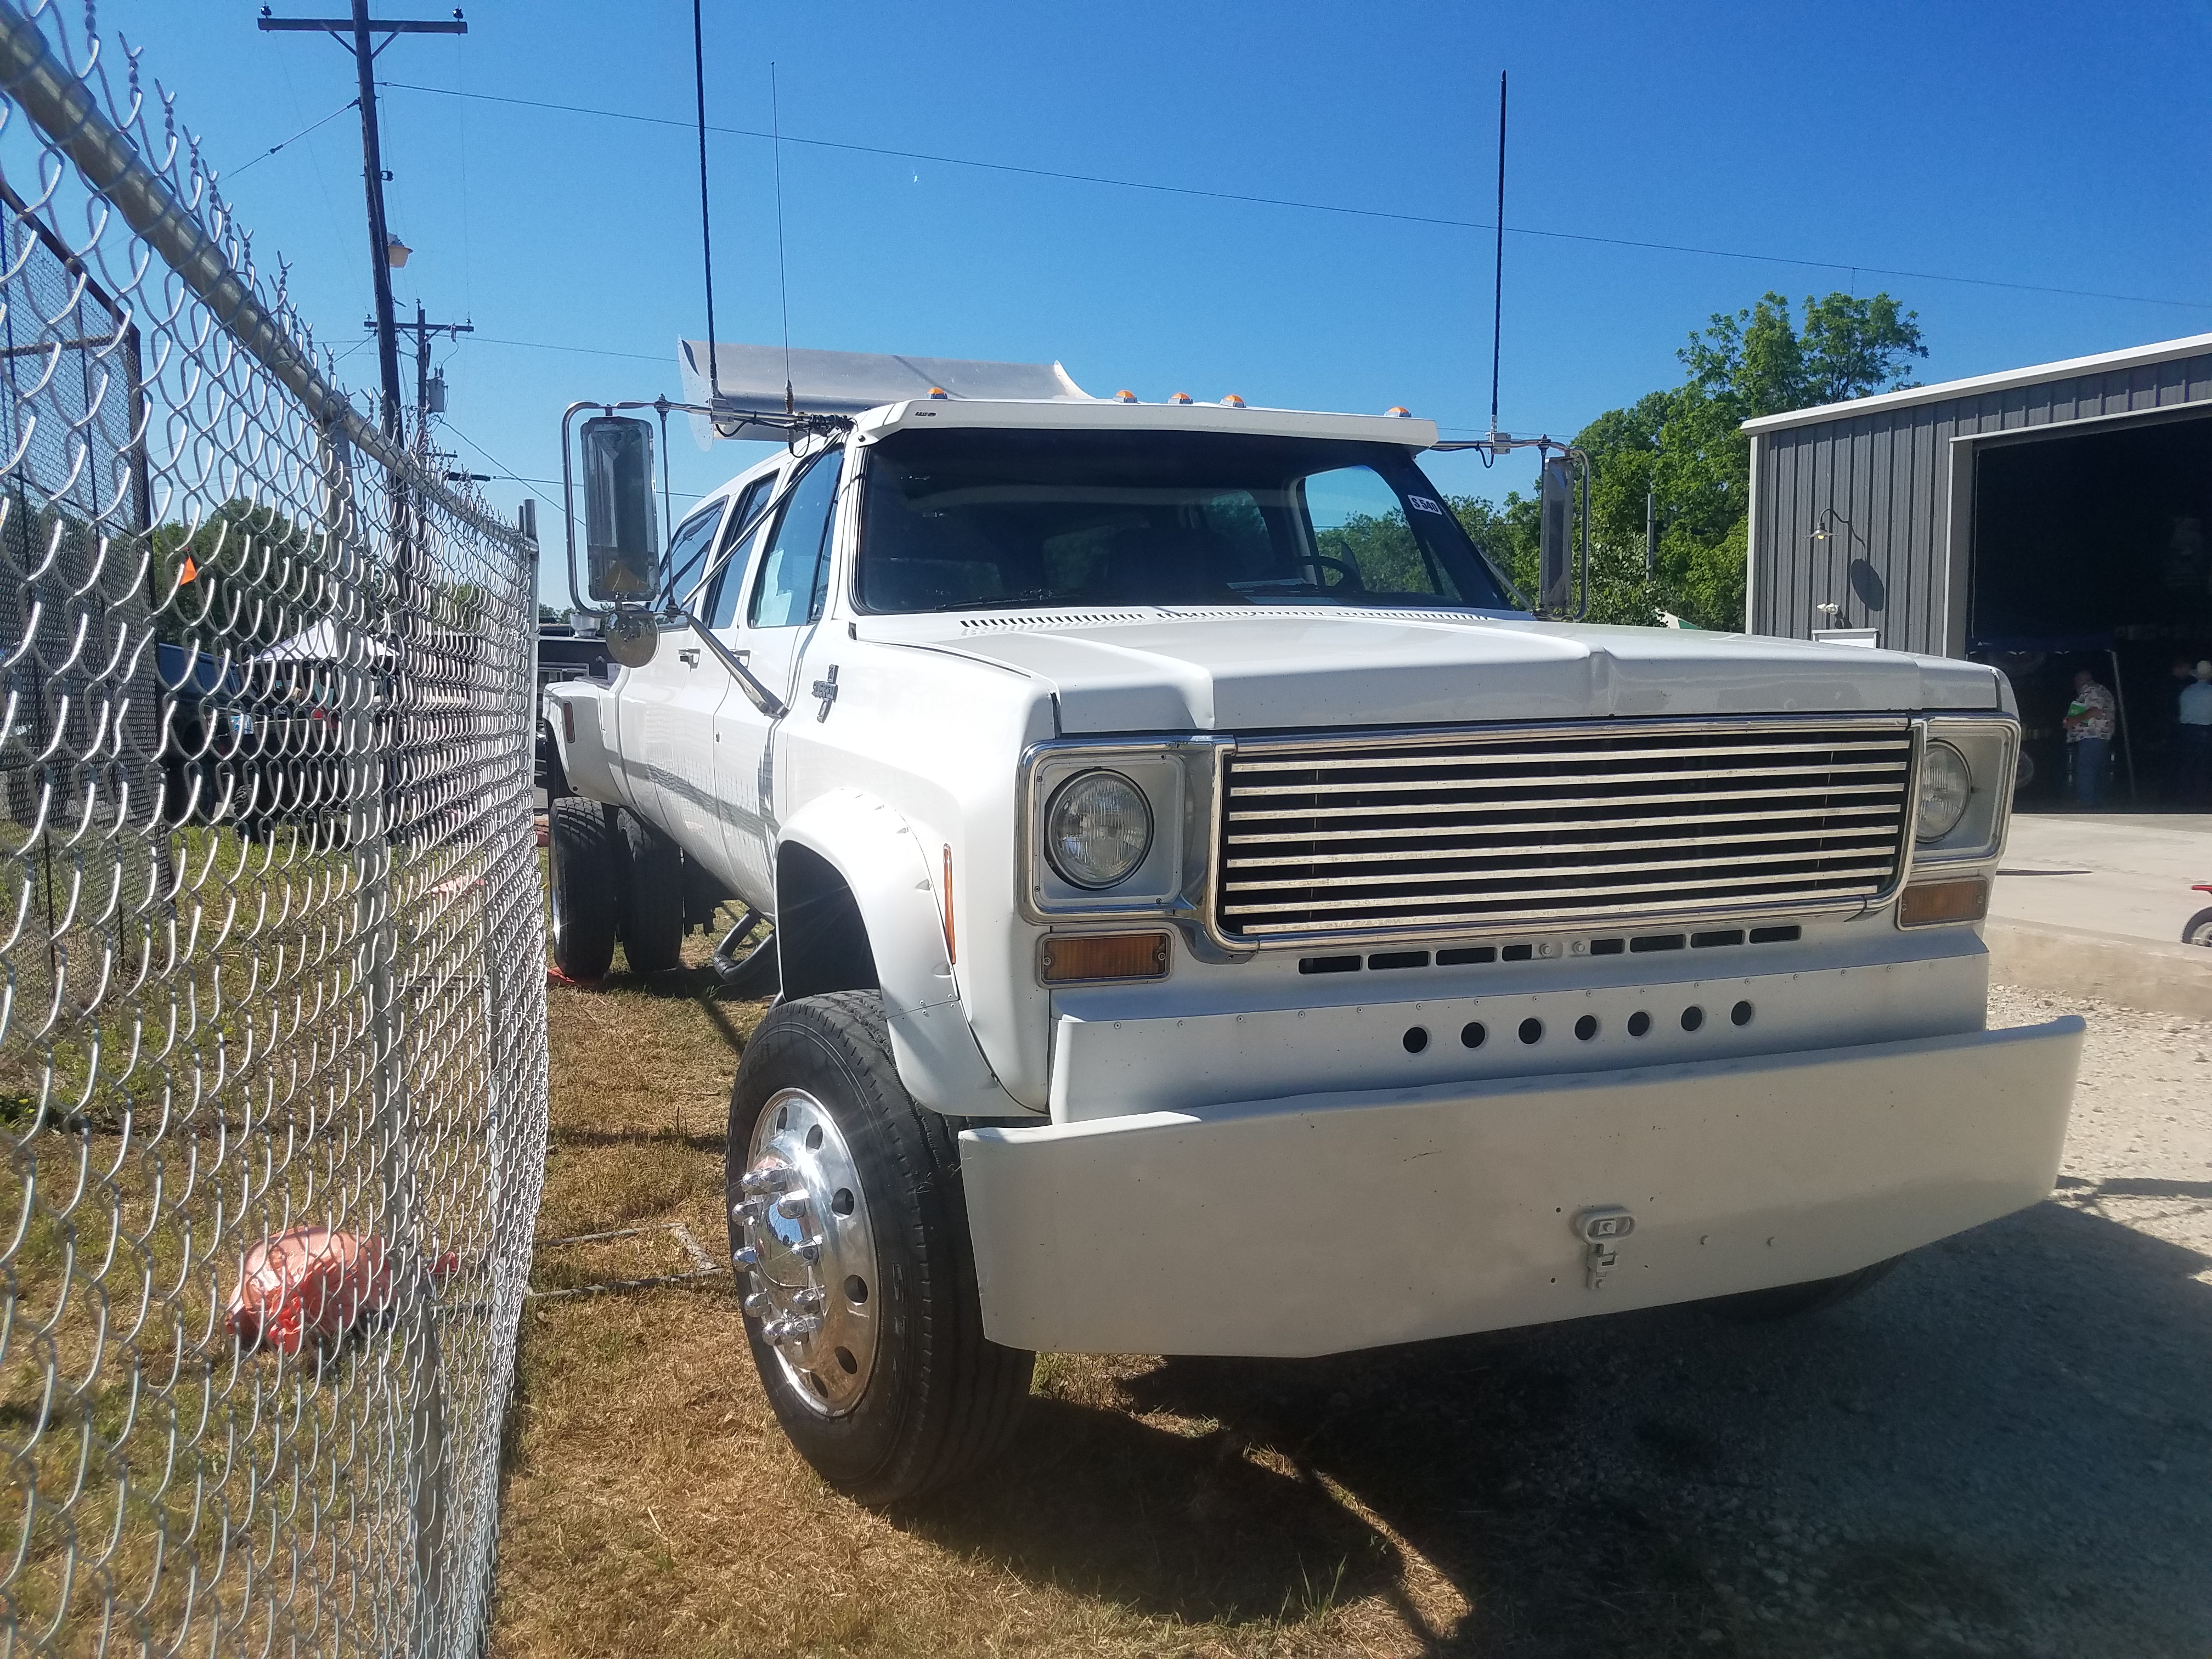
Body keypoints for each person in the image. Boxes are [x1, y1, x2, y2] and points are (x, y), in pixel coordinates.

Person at [2063, 666, 2117, 809]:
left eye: (2077, 680)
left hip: (2092, 735)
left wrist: (2075, 720)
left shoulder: (2093, 691)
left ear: (2082, 680)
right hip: (2099, 735)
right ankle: (2096, 800)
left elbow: (2096, 710)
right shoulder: (2099, 690)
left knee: (2087, 769)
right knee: (2097, 769)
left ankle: (2086, 800)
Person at [2179, 661, 2212, 809]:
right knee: (2204, 766)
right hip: (2205, 730)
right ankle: (2202, 798)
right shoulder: (2210, 692)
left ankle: (2187, 797)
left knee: (2189, 765)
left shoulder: (2187, 691)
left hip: (2187, 731)